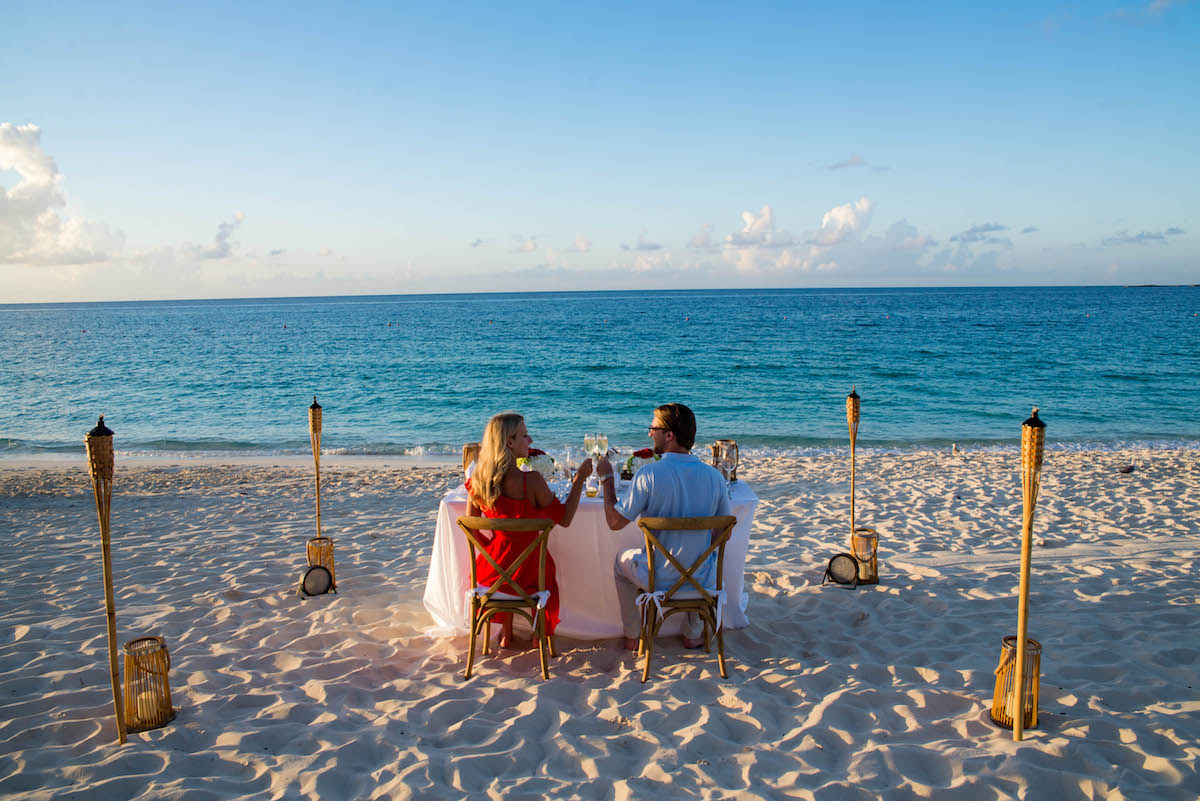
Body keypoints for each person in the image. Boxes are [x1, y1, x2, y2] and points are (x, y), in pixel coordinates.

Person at [595, 403, 732, 651]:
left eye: (653, 428)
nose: (649, 433)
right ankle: (692, 633)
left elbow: (614, 522)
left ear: (669, 435)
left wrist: (607, 480)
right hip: (703, 579)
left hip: (659, 579)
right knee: (700, 556)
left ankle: (632, 635)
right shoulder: (715, 477)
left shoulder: (649, 475)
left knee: (619, 563)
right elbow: (725, 532)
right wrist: (696, 551)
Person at [467, 412, 592, 649]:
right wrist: (579, 479)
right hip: (530, 574)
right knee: (536, 563)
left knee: (510, 558)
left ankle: (506, 633)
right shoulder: (531, 481)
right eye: (525, 435)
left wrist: (493, 555)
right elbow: (564, 519)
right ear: (509, 442)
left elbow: (472, 530)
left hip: (491, 576)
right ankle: (538, 635)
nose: (531, 440)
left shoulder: (478, 480)